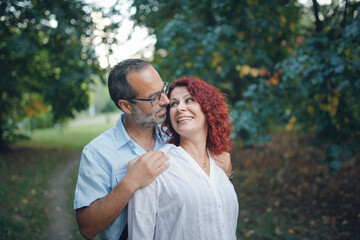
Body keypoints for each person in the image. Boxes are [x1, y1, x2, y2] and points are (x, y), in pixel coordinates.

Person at [74, 59, 232, 240]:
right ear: (126, 105)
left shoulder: (176, 133)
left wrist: (225, 172)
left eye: (163, 90)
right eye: (154, 97)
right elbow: (87, 228)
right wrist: (130, 183)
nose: (165, 100)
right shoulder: (98, 152)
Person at [128, 77, 239, 240]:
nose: (180, 108)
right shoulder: (156, 166)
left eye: (189, 100)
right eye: (173, 104)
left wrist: (228, 174)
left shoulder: (220, 163)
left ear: (208, 108)